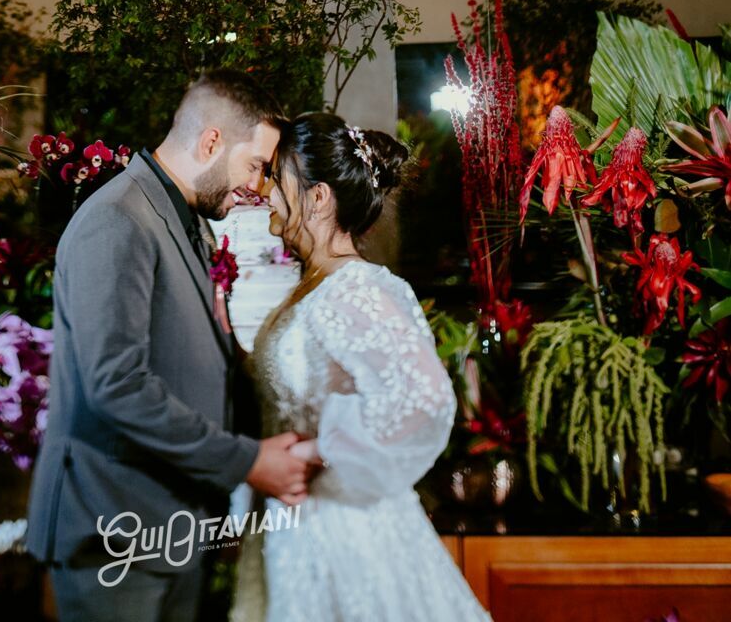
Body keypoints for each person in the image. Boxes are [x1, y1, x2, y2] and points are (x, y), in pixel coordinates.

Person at [27, 70, 320, 621]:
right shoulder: (117, 220)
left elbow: (196, 359)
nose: (258, 187)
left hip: (168, 528)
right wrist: (247, 460)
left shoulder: (188, 222)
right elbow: (116, 385)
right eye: (255, 165)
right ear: (211, 141)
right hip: (111, 527)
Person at [231, 112, 492, 622]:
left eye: (277, 176)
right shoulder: (314, 288)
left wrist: (317, 449)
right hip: (299, 529)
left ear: (319, 197)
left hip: (346, 533)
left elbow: (423, 399)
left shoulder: (358, 289)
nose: (265, 190)